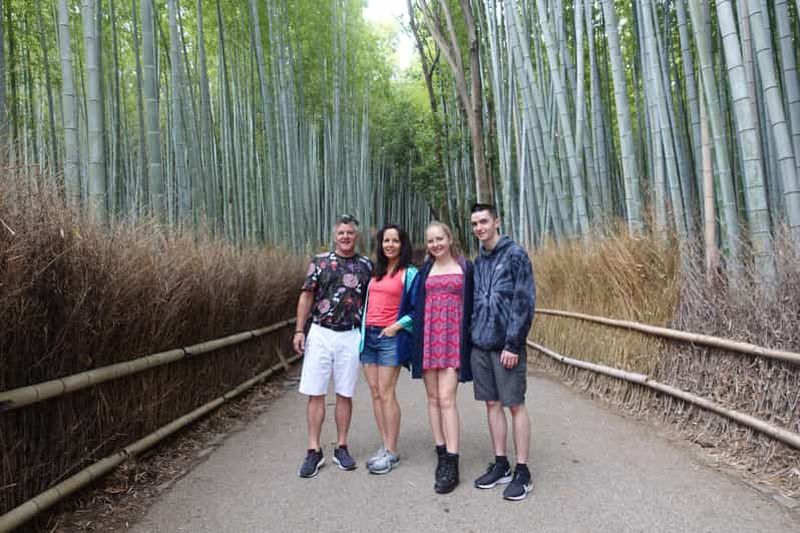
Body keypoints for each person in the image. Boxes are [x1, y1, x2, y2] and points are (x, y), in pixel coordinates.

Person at [293, 214, 373, 478]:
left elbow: (374, 300)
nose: (346, 237)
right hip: (320, 332)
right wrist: (299, 330)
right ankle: (313, 450)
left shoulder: (366, 265)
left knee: (344, 392)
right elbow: (306, 296)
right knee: (315, 392)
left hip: (350, 335)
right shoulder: (320, 262)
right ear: (335, 235)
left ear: (356, 236)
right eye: (341, 233)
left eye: (350, 232)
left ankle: (341, 445)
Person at [469, 203, 536, 501]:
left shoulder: (515, 254)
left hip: (506, 346)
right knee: (492, 404)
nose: (479, 227)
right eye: (474, 224)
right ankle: (501, 463)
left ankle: (523, 470)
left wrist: (513, 343)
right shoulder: (479, 261)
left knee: (515, 404)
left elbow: (524, 301)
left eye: (484, 221)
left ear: (497, 221)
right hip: (481, 344)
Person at [409, 221, 474, 494]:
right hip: (428, 339)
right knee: (433, 399)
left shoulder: (465, 267)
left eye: (439, 239)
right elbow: (412, 305)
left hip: (452, 339)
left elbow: (475, 303)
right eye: (430, 240)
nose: (435, 244)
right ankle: (441, 453)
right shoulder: (425, 270)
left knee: (447, 399)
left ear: (449, 238)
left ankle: (453, 460)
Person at [359, 224, 418, 475]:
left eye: (395, 240)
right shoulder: (375, 272)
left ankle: (392, 451)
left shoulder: (411, 273)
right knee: (374, 392)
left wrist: (397, 326)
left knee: (386, 392)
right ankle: (385, 445)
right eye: (386, 240)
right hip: (369, 336)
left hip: (389, 337)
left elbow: (417, 309)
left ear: (403, 244)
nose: (390, 244)